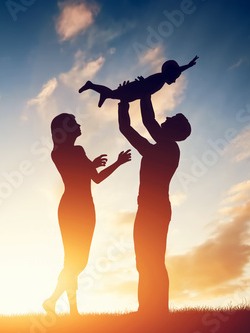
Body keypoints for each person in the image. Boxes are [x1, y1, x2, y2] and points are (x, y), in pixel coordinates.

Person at [43, 113, 131, 315]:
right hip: (72, 208)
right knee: (75, 261)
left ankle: (60, 305)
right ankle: (61, 305)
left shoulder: (78, 151)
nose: (79, 124)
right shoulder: (58, 153)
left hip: (86, 208)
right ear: (64, 130)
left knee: (77, 262)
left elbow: (96, 178)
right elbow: (79, 172)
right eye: (74, 123)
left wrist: (118, 162)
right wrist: (92, 165)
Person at [117, 94, 191, 316]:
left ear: (174, 131)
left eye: (171, 118)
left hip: (154, 210)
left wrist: (140, 95)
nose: (166, 117)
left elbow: (133, 128)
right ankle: (148, 310)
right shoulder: (164, 145)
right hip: (150, 208)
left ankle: (158, 311)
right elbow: (144, 123)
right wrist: (136, 97)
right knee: (145, 261)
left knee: (153, 261)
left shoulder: (167, 149)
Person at [79, 56, 198, 108]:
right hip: (135, 89)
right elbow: (146, 85)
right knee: (114, 94)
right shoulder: (161, 77)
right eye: (175, 77)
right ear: (171, 73)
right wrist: (187, 66)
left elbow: (147, 88)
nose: (175, 81)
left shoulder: (160, 79)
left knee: (115, 96)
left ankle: (101, 92)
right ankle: (92, 86)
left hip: (136, 92)